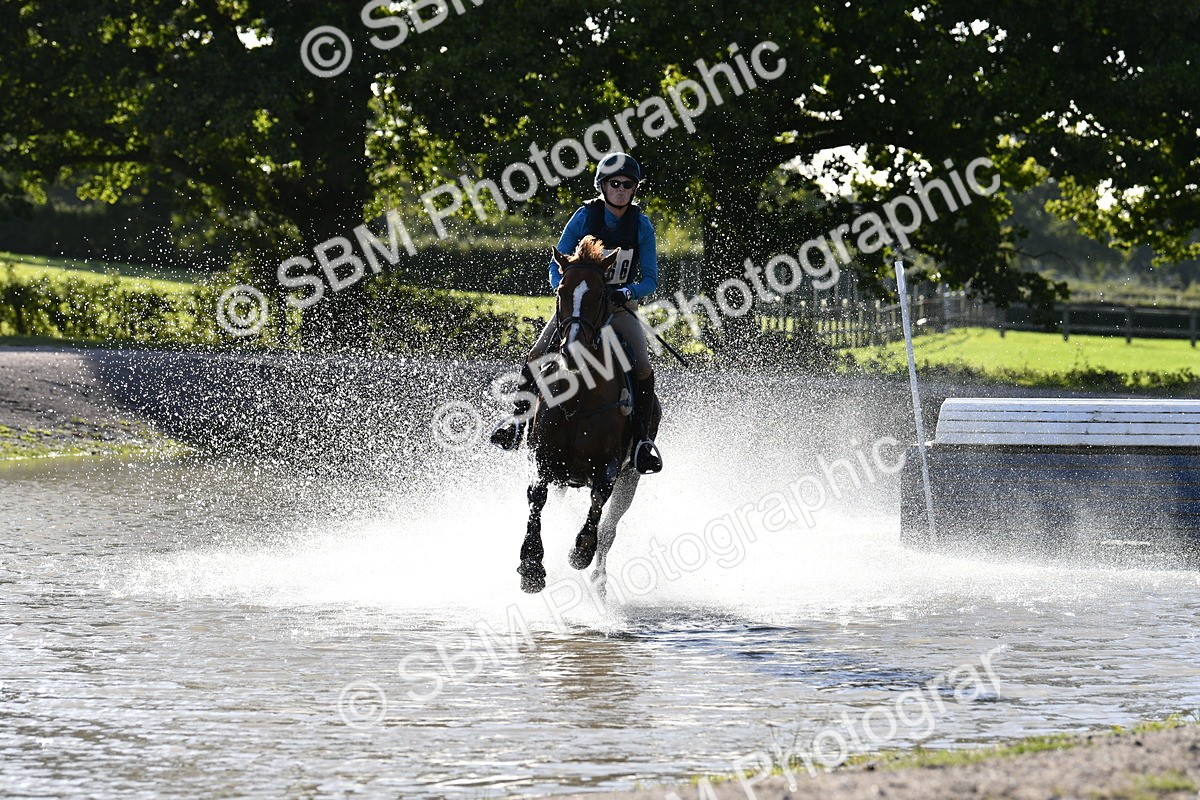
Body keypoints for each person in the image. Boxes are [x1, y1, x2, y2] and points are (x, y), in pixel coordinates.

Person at [489, 152, 663, 474]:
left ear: (634, 189)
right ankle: (517, 422)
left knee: (641, 364)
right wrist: (566, 291)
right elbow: (555, 265)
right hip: (580, 306)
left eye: (628, 184)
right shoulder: (584, 217)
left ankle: (641, 442)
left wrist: (627, 292)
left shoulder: (641, 225)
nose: (621, 190)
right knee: (537, 354)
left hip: (618, 305)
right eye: (614, 184)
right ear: (603, 186)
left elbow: (650, 279)